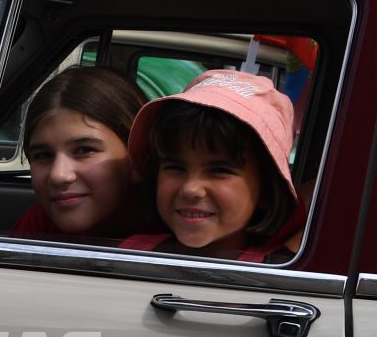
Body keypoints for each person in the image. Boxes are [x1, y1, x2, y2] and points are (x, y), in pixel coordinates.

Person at [120, 70, 300, 262]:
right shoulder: (132, 250)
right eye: (176, 167)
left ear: (266, 190)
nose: (191, 189)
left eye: (219, 170)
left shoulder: (276, 269)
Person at [10, 68, 151, 240]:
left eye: (85, 150)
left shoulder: (176, 238)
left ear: (137, 159)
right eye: (43, 155)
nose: (58, 175)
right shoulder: (37, 227)